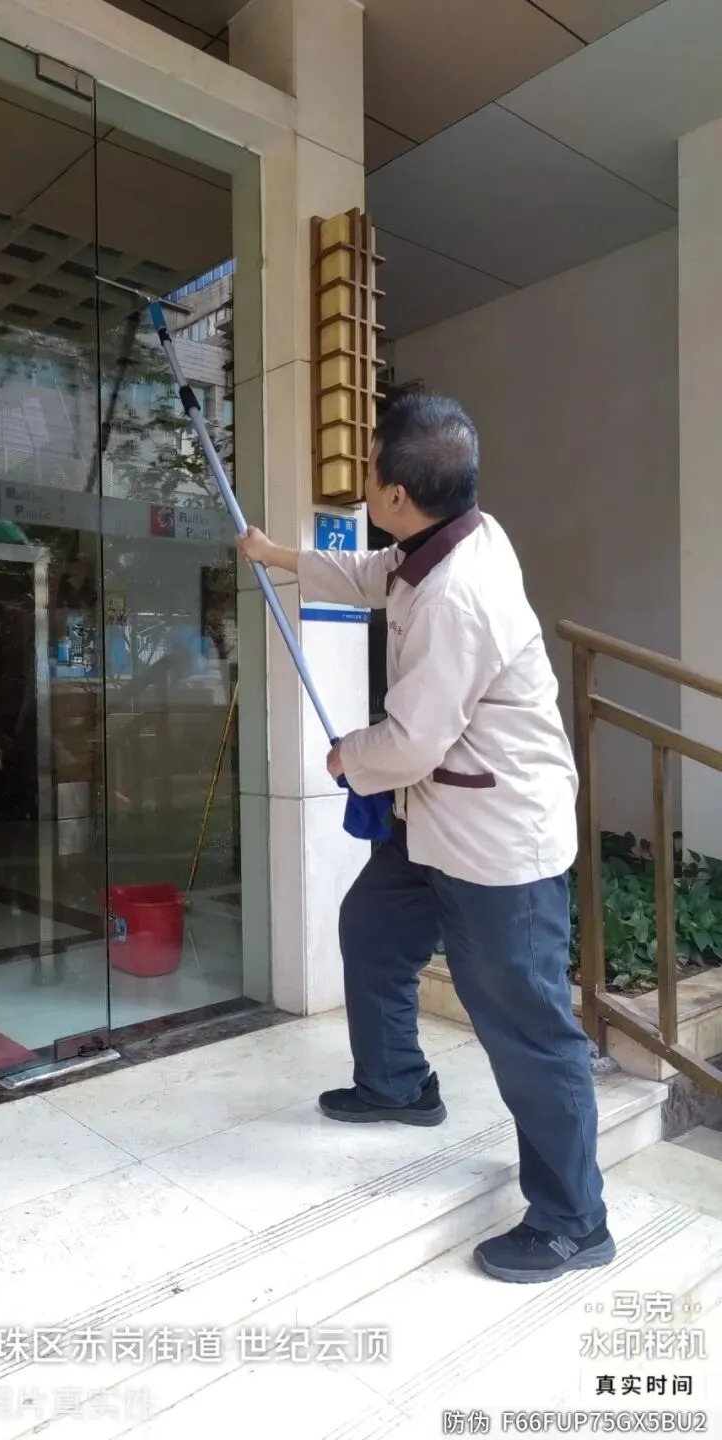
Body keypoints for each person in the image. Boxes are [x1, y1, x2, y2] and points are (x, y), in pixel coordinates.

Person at [238, 393, 611, 1285]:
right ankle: (398, 1085)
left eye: (371, 466)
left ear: (398, 494)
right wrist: (278, 556)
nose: (365, 474)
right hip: (437, 819)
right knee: (372, 931)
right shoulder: (447, 538)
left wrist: (346, 757)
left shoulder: (460, 597)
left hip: (498, 844)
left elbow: (409, 743)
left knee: (526, 1026)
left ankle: (574, 1219)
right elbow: (377, 575)